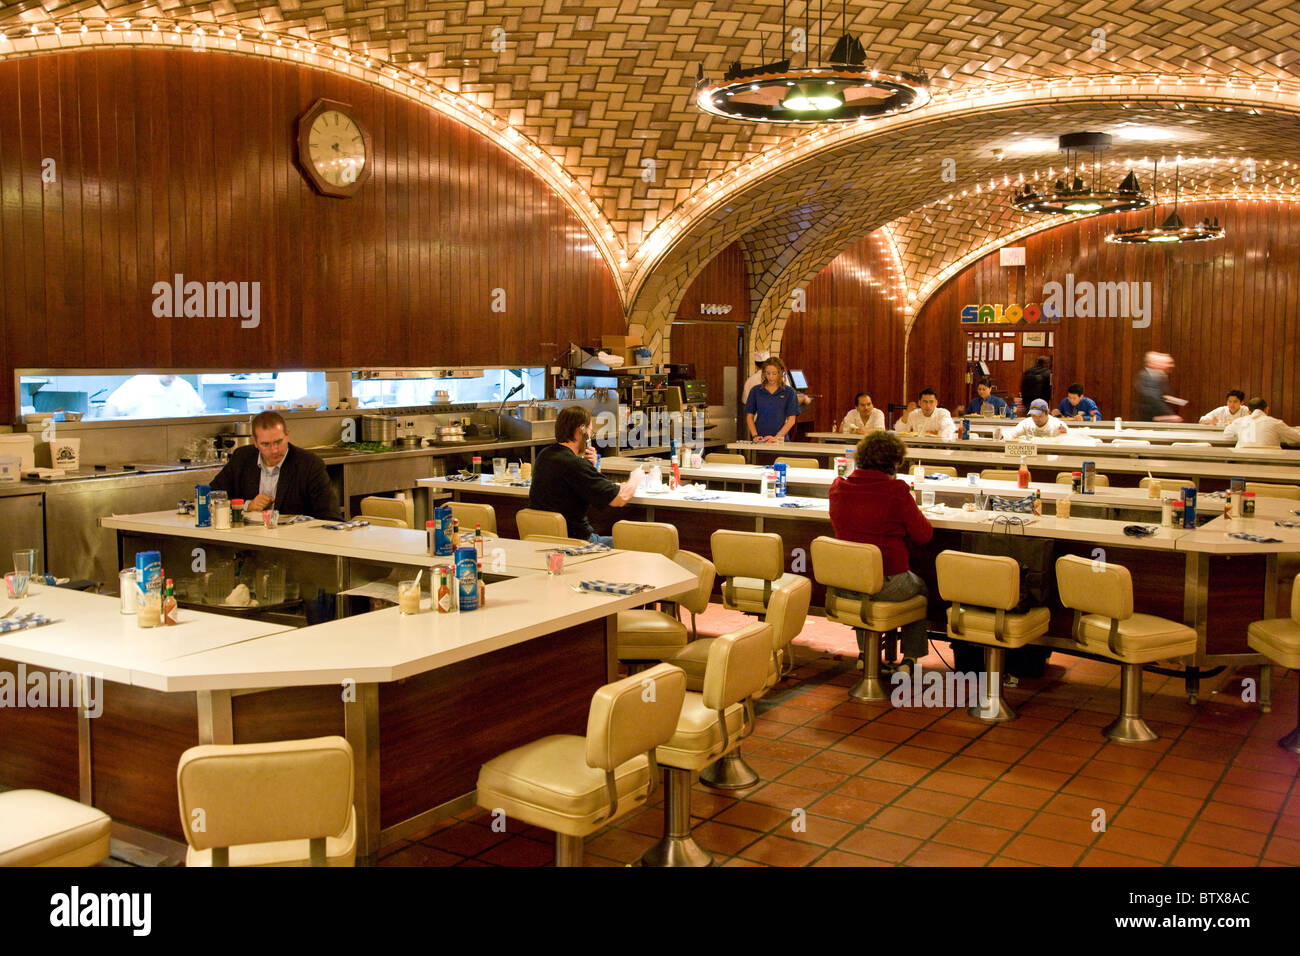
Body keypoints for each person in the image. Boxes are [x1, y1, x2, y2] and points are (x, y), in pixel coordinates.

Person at [828, 431, 933, 664]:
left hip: (843, 584)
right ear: (894, 462)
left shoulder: (837, 487)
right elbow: (923, 535)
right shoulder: (896, 491)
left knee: (860, 576)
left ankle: (867, 655)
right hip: (886, 584)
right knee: (920, 587)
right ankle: (910, 659)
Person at [529, 405, 644, 544]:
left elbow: (579, 484)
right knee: (636, 543)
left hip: (545, 540)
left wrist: (592, 467)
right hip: (577, 542)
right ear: (581, 430)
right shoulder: (574, 464)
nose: (590, 436)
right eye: (590, 431)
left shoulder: (545, 455)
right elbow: (619, 498)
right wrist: (636, 478)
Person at [208, 411, 336, 518]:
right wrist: (247, 505)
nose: (274, 450)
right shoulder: (242, 458)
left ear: (287, 435)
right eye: (266, 444)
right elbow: (212, 496)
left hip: (293, 540)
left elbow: (330, 516)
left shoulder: (309, 464)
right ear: (255, 442)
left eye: (278, 442)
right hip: (250, 537)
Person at [102, 374, 208, 418]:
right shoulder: (140, 382)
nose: (171, 377)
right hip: (142, 438)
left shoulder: (184, 386)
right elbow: (112, 405)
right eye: (167, 373)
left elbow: (201, 412)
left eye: (173, 374)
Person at [745, 358, 799, 442]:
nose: (771, 377)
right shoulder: (756, 391)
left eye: (774, 373)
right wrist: (755, 435)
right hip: (760, 439)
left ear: (780, 372)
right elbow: (749, 416)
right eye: (768, 373)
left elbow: (791, 420)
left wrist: (776, 438)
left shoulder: (789, 392)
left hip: (780, 440)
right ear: (764, 373)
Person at [1224, 398, 1300, 449]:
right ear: (1267, 409)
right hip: (1271, 463)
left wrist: (1240, 433)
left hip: (1242, 462)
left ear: (1249, 412)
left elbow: (1227, 434)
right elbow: (1297, 437)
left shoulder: (1238, 422)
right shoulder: (1275, 422)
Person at [1134, 352, 1185, 422]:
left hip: (1158, 417)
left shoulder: (1159, 375)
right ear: (1154, 363)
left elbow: (1160, 395)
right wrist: (1169, 415)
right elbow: (1152, 397)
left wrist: (1177, 401)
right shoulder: (1145, 376)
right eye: (1168, 363)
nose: (1172, 365)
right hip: (1149, 419)